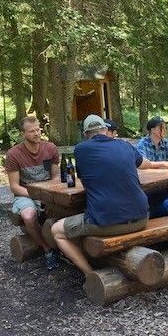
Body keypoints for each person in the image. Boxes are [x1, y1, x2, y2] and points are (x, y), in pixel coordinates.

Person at [51, 115, 154, 276]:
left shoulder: (81, 149)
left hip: (107, 223)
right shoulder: (125, 145)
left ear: (85, 134)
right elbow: (143, 163)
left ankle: (90, 273)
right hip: (141, 218)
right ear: (105, 130)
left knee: (56, 230)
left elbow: (84, 180)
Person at [5, 116, 60, 270]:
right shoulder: (14, 154)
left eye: (38, 130)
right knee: (29, 216)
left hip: (48, 192)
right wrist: (36, 195)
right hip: (25, 194)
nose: (36, 133)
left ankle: (66, 246)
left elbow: (55, 178)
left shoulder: (50, 148)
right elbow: (15, 187)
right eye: (31, 131)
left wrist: (50, 194)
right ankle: (47, 249)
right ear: (23, 134)